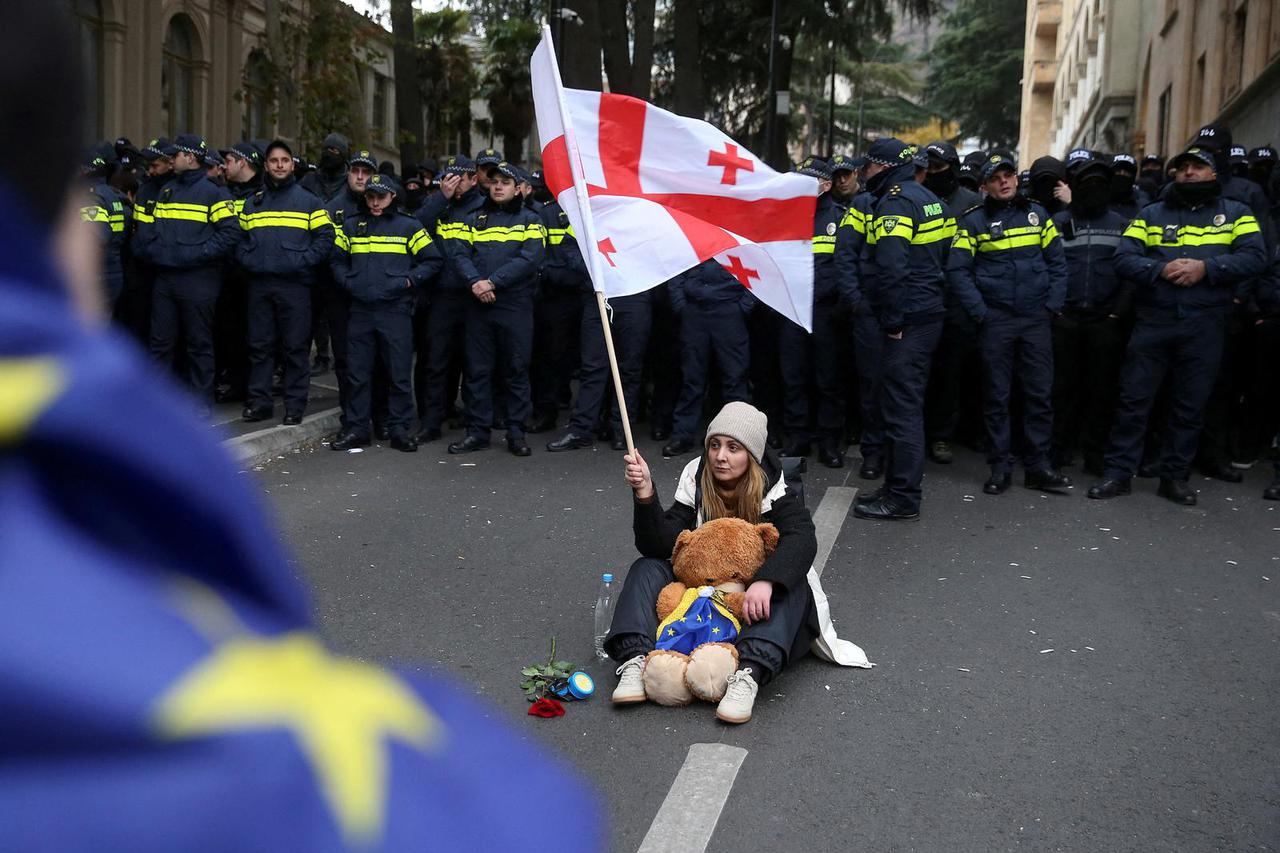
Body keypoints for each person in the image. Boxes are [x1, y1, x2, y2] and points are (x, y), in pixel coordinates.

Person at [1, 6, 599, 847]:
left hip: (441, 310)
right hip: (368, 313)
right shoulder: (164, 584)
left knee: (442, 380)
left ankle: (454, 424)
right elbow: (508, 816)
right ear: (70, 219)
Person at [606, 402, 870, 724]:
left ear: (752, 454)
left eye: (733, 448)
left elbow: (802, 538)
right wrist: (645, 494)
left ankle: (747, 675)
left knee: (795, 583)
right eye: (715, 445)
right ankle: (636, 660)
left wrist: (766, 580)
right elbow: (660, 544)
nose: (720, 456)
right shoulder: (697, 474)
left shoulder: (773, 483)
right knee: (646, 567)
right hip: (699, 587)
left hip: (748, 598)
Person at [1088, 144, 1267, 506]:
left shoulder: (1236, 213)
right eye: (1182, 167)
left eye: (1197, 167)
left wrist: (1207, 269)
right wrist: (1159, 269)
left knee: (1189, 405)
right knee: (1134, 400)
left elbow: (1255, 257)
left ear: (1214, 174)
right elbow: (1124, 258)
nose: (1188, 173)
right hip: (1155, 319)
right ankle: (1119, 474)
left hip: (1205, 322)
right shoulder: (1152, 214)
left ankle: (1174, 477)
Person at [949, 153, 1072, 496]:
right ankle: (1000, 467)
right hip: (997, 320)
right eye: (996, 178)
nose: (1004, 181)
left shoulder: (1038, 215)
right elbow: (958, 271)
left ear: (1017, 179)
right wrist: (980, 313)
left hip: (1035, 319)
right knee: (997, 397)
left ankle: (1037, 467)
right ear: (985, 186)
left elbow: (1057, 264)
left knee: (1038, 394)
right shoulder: (973, 222)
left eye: (1009, 175)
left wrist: (1052, 306)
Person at [851, 138, 954, 521]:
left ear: (884, 167)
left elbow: (892, 268)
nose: (864, 173)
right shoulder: (931, 200)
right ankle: (895, 486)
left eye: (870, 167)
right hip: (928, 313)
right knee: (904, 405)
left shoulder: (895, 203)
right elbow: (945, 256)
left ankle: (902, 497)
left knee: (901, 410)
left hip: (906, 320)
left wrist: (893, 322)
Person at [330, 174, 442, 452]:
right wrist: (347, 281)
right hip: (361, 309)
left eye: (381, 196)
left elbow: (432, 259)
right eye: (370, 196)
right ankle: (357, 429)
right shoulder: (352, 225)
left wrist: (408, 281)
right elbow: (335, 258)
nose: (375, 202)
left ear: (393, 196)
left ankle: (399, 429)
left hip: (395, 310)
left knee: (398, 373)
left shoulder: (408, 225)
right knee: (357, 373)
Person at [132, 134, 242, 414]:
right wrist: (161, 254)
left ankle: (200, 403)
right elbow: (153, 230)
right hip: (166, 279)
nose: (171, 160)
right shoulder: (167, 189)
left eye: (176, 156)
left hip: (199, 280)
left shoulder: (214, 192)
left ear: (190, 158)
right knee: (161, 343)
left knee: (198, 344)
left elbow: (230, 232)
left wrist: (199, 254)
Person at [447, 161, 545, 457]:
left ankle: (516, 433)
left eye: (506, 182)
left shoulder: (531, 220)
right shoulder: (475, 218)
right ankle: (477, 431)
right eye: (494, 182)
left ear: (519, 189)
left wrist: (492, 282)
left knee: (515, 370)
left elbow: (530, 259)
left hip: (513, 306)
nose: (498, 186)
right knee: (477, 371)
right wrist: (476, 282)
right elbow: (459, 253)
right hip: (478, 305)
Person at [1049, 149, 1134, 476]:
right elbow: (1047, 269)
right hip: (1066, 320)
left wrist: (1117, 314)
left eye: (1101, 182)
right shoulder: (1059, 223)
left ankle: (1095, 453)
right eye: (1087, 182)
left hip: (1105, 321)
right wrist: (1055, 311)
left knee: (1102, 391)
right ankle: (1058, 451)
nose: (1093, 187)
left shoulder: (1121, 225)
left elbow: (1131, 275)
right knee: (1062, 390)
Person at [237, 140, 333, 426]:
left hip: (295, 287)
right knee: (260, 347)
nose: (279, 165)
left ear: (293, 164)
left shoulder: (309, 201)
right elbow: (238, 240)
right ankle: (260, 403)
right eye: (274, 160)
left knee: (295, 348)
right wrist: (249, 260)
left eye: (285, 160)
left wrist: (302, 261)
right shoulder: (252, 202)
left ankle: (294, 405)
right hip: (260, 285)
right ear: (266, 165)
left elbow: (326, 238)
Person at [779, 156, 845, 467]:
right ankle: (798, 436)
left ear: (826, 185)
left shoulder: (840, 218)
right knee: (794, 377)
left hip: (825, 311)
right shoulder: (788, 216)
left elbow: (844, 267)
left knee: (827, 378)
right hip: (792, 309)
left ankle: (829, 441)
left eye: (809, 179)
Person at [417, 155, 485, 443]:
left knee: (474, 363)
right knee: (436, 362)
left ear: (473, 179)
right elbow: (417, 226)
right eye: (450, 177)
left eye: (461, 177)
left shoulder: (483, 207)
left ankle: (474, 423)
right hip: (443, 295)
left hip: (473, 296)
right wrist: (440, 198)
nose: (455, 183)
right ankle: (432, 422)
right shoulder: (440, 205)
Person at [922, 140, 983, 464]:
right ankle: (919, 434)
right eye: (928, 167)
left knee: (952, 374)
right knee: (920, 374)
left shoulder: (972, 203)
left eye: (939, 167)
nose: (933, 173)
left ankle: (944, 435)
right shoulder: (920, 199)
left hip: (959, 302)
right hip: (925, 299)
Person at [662, 258, 754, 457]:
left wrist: (744, 306)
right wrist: (681, 306)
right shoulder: (694, 230)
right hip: (695, 312)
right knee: (691, 379)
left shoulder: (737, 228)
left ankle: (738, 437)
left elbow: (755, 262)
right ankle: (683, 435)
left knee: (735, 379)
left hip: (729, 311)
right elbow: (676, 267)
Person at [319, 149, 377, 433]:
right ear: (348, 173)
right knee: (344, 358)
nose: (360, 177)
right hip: (341, 294)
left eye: (366, 173)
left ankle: (376, 414)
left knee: (375, 358)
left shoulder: (380, 204)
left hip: (374, 297)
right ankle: (351, 416)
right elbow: (328, 253)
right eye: (356, 171)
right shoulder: (332, 209)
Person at [834, 163, 884, 479]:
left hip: (912, 315)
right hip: (871, 313)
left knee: (903, 391)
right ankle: (874, 453)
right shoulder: (864, 205)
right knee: (872, 387)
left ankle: (899, 453)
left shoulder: (916, 201)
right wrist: (856, 302)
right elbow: (845, 254)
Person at [80, 141, 131, 309]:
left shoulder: (92, 197)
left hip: (99, 274)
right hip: (114, 269)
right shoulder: (114, 195)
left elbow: (97, 239)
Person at [300, 132, 351, 203]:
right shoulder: (309, 180)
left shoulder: (351, 184)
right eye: (326, 149)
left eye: (334, 150)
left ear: (343, 155)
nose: (329, 154)